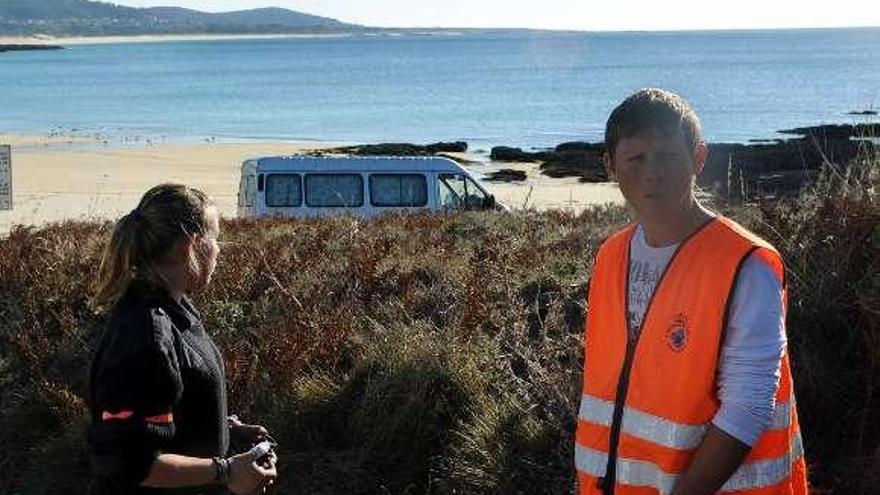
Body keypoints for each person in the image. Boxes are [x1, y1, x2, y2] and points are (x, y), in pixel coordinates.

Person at [574, 89, 808, 494]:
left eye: (668, 156)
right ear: (610, 165)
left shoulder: (745, 264)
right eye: (636, 159)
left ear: (698, 159)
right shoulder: (611, 256)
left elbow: (748, 407)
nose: (653, 173)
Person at [88, 184, 277, 494]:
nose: (219, 249)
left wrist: (223, 428)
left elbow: (167, 406)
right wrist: (227, 471)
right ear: (191, 246)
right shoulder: (145, 333)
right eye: (215, 238)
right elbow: (134, 463)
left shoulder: (175, 308)